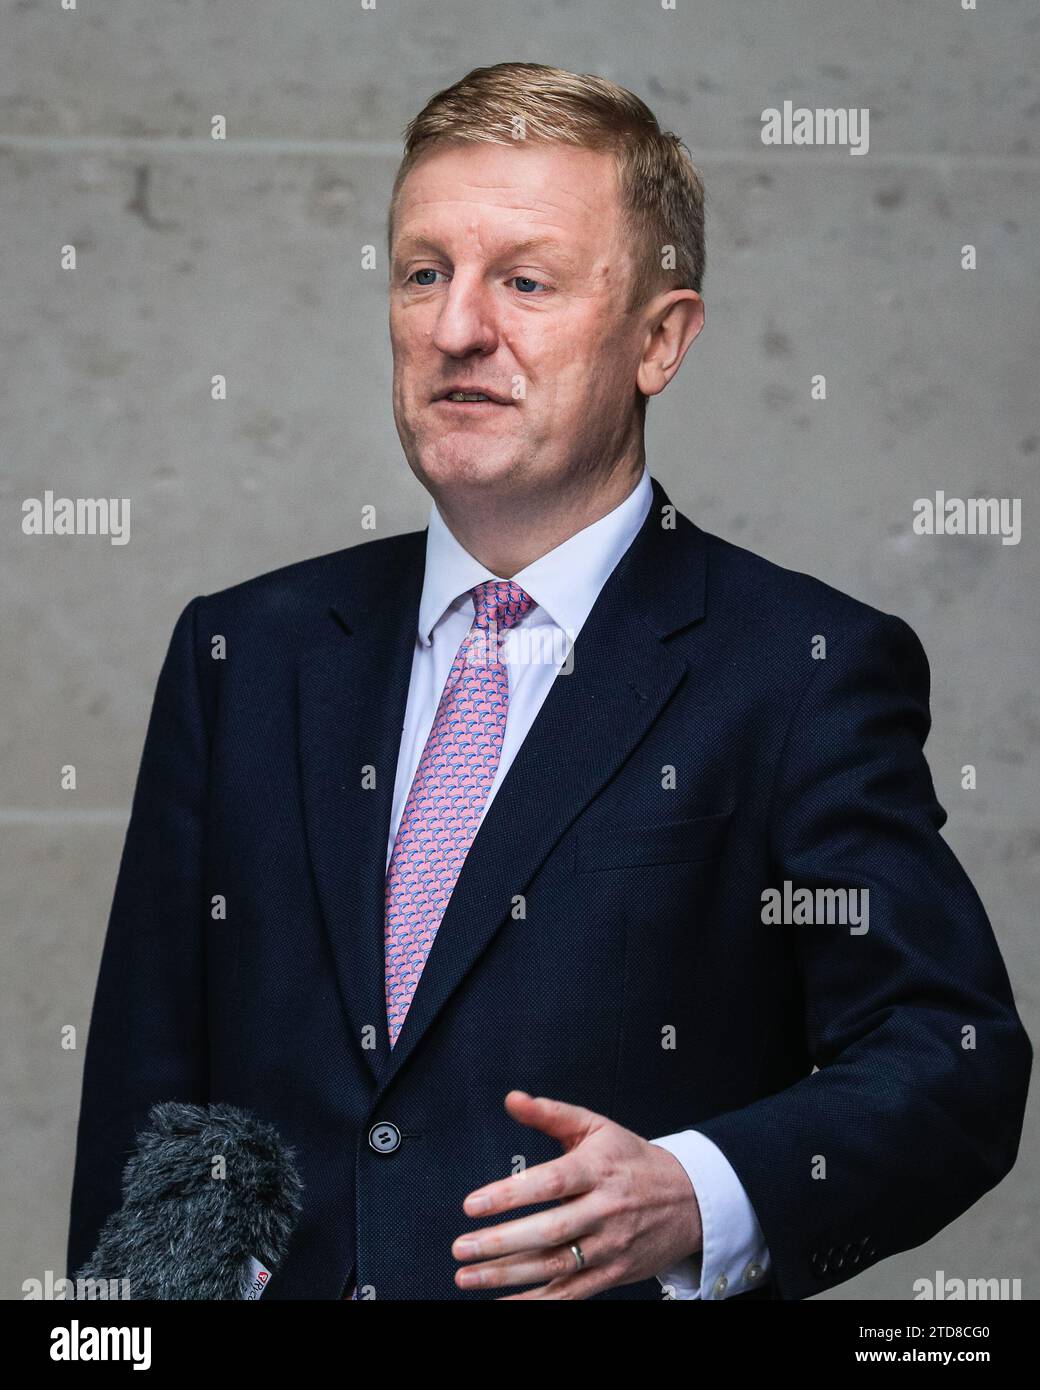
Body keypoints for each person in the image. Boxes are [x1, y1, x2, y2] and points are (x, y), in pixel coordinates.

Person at [67, 62, 1031, 1301]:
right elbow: (143, 1114)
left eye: (523, 280)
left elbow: (949, 1058)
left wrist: (699, 1192)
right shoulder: (241, 652)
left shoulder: (796, 671)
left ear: (659, 339)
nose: (458, 327)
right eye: (425, 273)